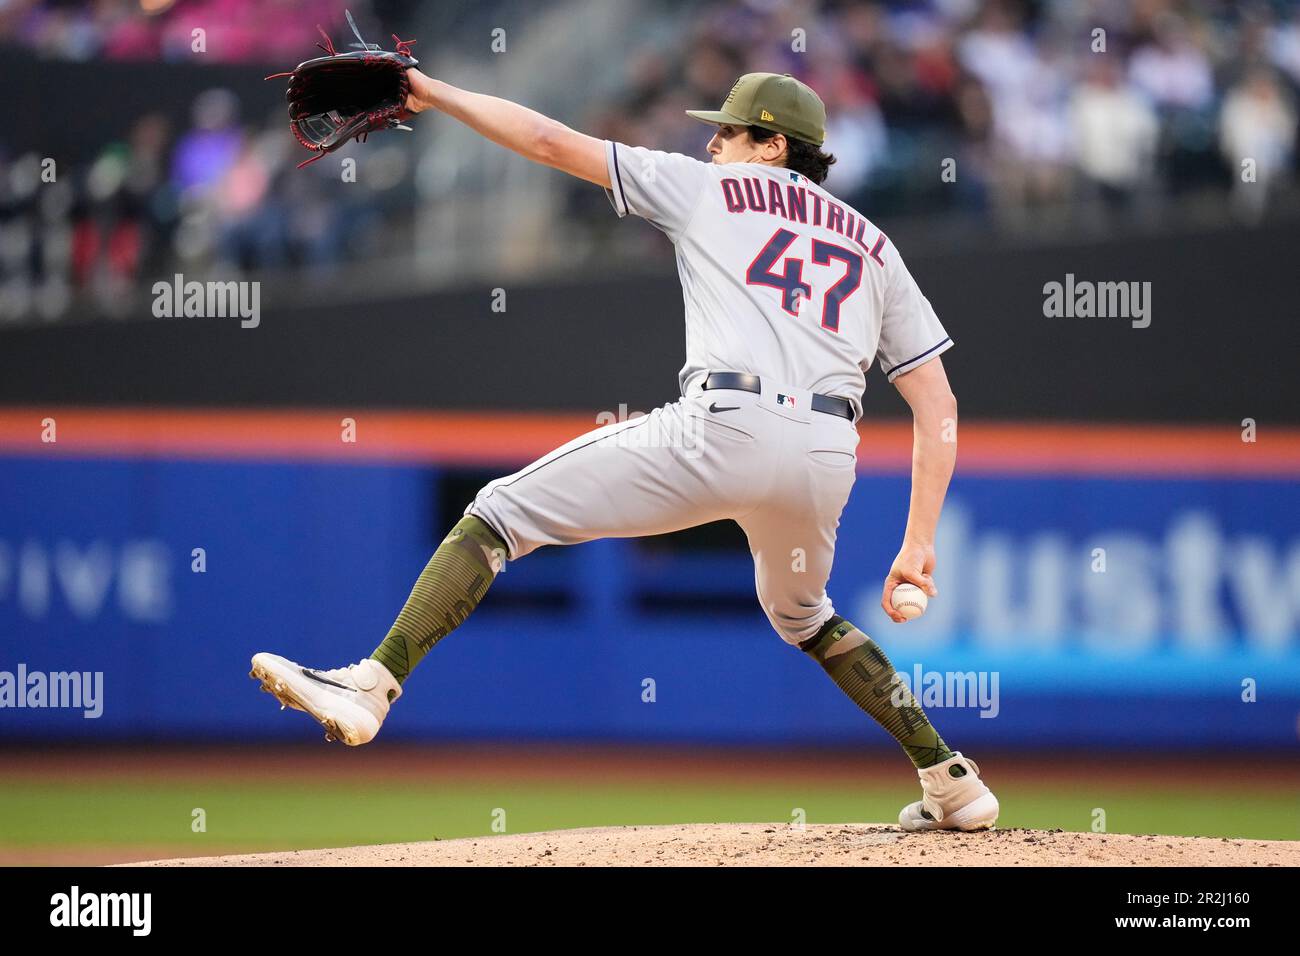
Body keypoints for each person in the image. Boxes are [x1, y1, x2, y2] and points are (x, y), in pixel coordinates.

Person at [251, 71, 998, 832]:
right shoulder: (875, 244)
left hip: (725, 424)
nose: (713, 143)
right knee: (807, 617)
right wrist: (918, 542)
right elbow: (936, 404)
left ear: (775, 146)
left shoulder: (708, 188)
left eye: (730, 131)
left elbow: (547, 141)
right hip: (828, 454)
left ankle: (372, 685)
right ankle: (952, 779)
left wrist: (428, 91)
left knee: (499, 514)